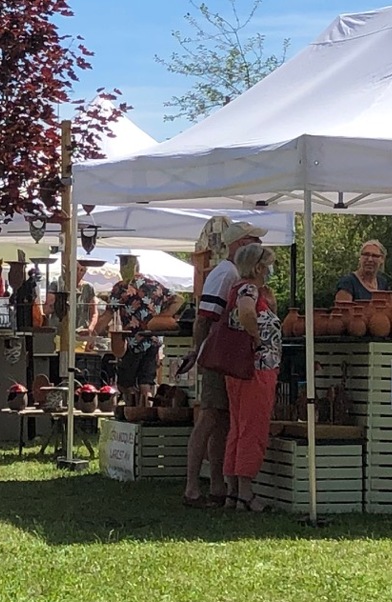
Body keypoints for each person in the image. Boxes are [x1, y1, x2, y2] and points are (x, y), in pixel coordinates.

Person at [184, 218, 266, 507]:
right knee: (209, 417)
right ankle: (192, 487)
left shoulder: (232, 273)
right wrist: (199, 351)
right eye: (255, 241)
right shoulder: (225, 274)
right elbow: (204, 317)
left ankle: (218, 486)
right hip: (219, 355)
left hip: (224, 355)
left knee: (220, 419)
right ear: (242, 244)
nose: (259, 245)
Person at [222, 244, 282, 512]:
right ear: (259, 267)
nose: (271, 270)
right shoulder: (248, 289)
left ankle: (232, 492)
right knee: (253, 428)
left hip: (240, 370)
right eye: (269, 265)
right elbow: (247, 312)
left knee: (237, 428)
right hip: (257, 368)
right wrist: (257, 338)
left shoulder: (239, 288)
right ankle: (246, 492)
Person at [106, 254, 181, 403]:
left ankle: (131, 411)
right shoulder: (154, 285)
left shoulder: (121, 287)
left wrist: (92, 332)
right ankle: (145, 411)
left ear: (128, 267)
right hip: (153, 339)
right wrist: (162, 317)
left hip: (133, 341)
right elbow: (178, 299)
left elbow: (108, 314)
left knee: (124, 384)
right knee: (145, 383)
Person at [334, 239, 388, 305]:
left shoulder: (383, 284)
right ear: (360, 257)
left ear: (382, 259)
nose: (370, 259)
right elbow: (342, 312)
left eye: (374, 256)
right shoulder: (348, 283)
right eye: (366, 255)